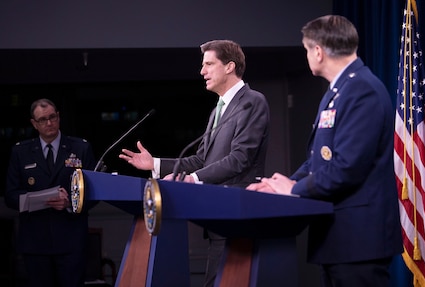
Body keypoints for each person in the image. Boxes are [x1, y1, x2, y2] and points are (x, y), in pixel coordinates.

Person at [247, 15, 403, 287]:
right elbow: (320, 159)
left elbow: (347, 168)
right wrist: (282, 184)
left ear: (318, 52)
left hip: (359, 242)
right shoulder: (339, 91)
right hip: (339, 239)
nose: (307, 55)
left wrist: (293, 191)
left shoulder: (362, 90)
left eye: (307, 49)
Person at [119, 39, 270, 286]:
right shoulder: (218, 109)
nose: (202, 71)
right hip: (217, 217)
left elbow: (240, 158)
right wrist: (155, 164)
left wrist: (194, 179)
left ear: (230, 66)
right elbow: (201, 159)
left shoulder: (252, 102)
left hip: (237, 217)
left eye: (209, 64)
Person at [5, 98, 97, 287]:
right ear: (34, 123)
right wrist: (32, 200)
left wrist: (70, 203)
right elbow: (10, 195)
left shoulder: (80, 147)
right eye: (42, 120)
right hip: (35, 241)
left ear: (59, 117)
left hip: (71, 240)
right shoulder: (20, 152)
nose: (49, 123)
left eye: (52, 117)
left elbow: (94, 191)